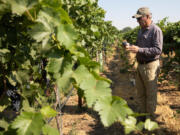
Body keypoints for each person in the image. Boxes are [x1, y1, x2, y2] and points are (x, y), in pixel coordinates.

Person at [125, 7, 163, 120]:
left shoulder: (156, 30)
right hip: (140, 65)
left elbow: (157, 50)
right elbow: (138, 46)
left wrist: (139, 50)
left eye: (139, 19)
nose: (137, 21)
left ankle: (150, 121)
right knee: (141, 94)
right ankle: (142, 117)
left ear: (147, 17)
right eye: (137, 19)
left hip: (150, 66)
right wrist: (130, 46)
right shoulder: (141, 30)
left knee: (150, 95)